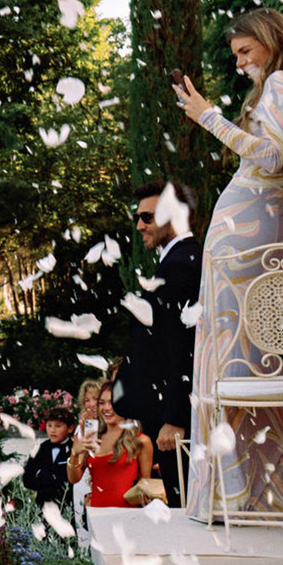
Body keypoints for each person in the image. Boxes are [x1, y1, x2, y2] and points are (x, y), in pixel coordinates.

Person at [174, 7, 283, 519]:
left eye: (247, 52)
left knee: (227, 356)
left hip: (240, 233)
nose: (243, 63)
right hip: (275, 228)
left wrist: (208, 117)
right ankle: (275, 493)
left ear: (271, 39)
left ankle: (231, 487)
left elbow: (268, 157)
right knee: (260, 357)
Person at [112, 180, 203, 503]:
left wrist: (175, 418)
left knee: (185, 505)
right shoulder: (179, 260)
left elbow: (182, 346)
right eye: (138, 217)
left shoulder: (180, 266)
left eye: (147, 218)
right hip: (164, 412)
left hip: (174, 421)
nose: (139, 225)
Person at [68, 379, 153, 508]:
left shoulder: (141, 441)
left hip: (128, 517)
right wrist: (74, 453)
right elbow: (73, 479)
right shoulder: (92, 437)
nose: (107, 408)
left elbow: (145, 486)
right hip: (96, 516)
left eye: (112, 402)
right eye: (102, 403)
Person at [22, 406, 76, 508]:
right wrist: (44, 482)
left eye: (58, 426)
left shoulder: (74, 450)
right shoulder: (40, 448)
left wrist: (46, 476)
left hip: (66, 507)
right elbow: (27, 479)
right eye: (49, 425)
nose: (52, 430)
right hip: (43, 506)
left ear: (70, 428)